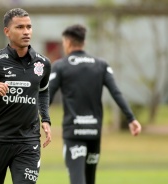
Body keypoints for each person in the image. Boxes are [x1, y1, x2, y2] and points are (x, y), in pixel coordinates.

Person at [49, 24, 142, 184]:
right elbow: (116, 92)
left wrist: (38, 118)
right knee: (90, 180)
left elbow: (47, 96)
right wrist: (131, 118)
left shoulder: (61, 65)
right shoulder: (101, 65)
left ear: (68, 43)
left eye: (64, 43)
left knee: (77, 180)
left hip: (74, 133)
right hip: (93, 132)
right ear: (83, 43)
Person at [0, 8, 52, 184]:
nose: (26, 31)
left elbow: (43, 90)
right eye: (20, 27)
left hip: (28, 143)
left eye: (29, 27)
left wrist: (45, 119)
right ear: (7, 31)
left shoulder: (42, 63)